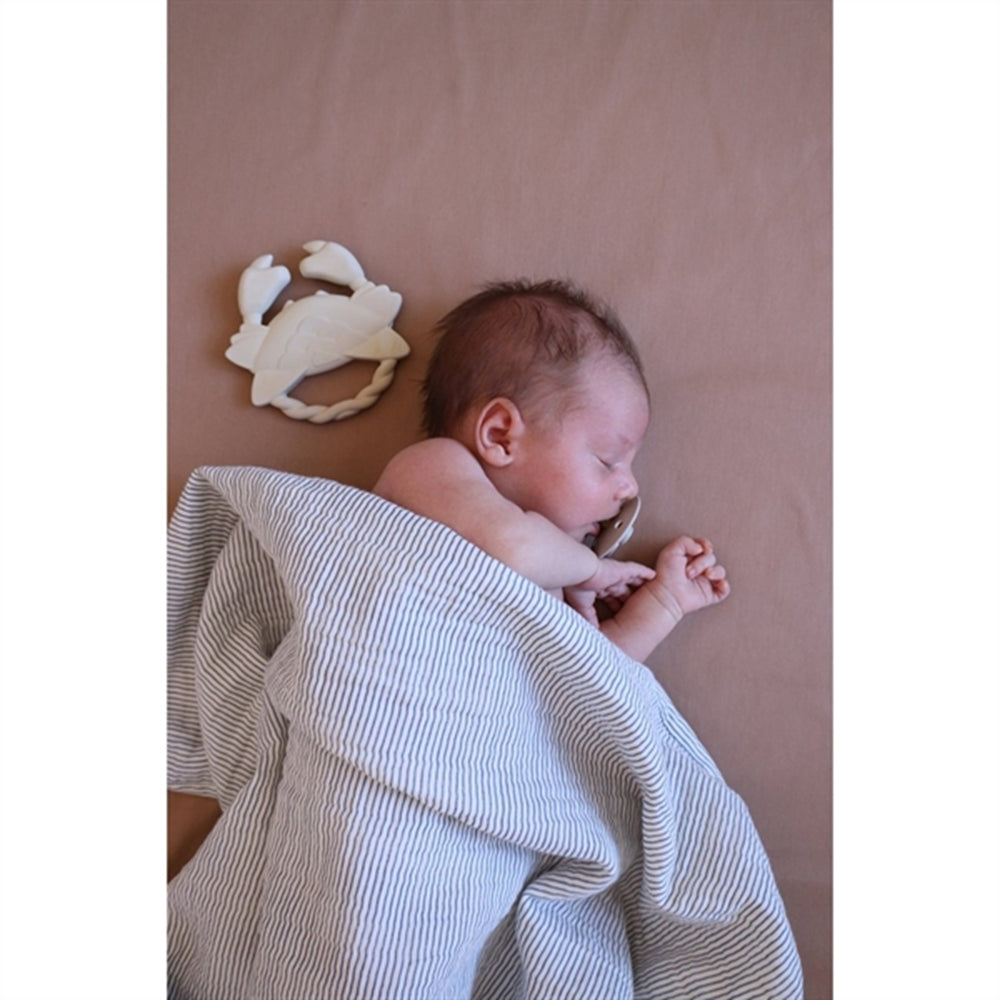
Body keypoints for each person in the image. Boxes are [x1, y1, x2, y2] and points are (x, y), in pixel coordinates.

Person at [374, 278, 729, 663]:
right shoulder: (431, 467)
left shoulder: (557, 579)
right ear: (500, 436)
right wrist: (590, 570)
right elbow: (514, 545)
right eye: (607, 459)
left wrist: (665, 603)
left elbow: (591, 674)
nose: (630, 487)